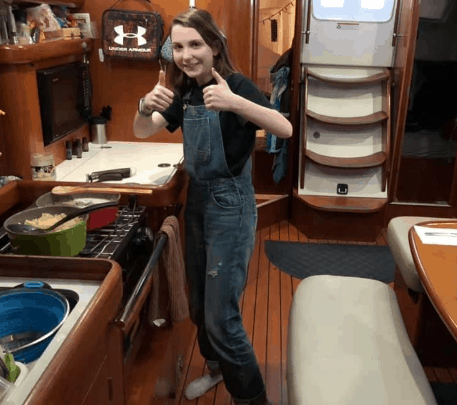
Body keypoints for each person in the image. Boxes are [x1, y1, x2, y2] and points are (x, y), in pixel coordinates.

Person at [133, 8, 292, 405]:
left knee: (222, 317)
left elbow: (284, 128)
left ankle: (253, 398)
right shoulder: (183, 90)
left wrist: (235, 102)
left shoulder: (234, 84)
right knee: (203, 306)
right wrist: (141, 105)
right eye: (181, 47)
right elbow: (143, 128)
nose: (187, 55)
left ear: (215, 46)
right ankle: (218, 370)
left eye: (196, 45)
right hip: (198, 199)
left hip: (231, 204)